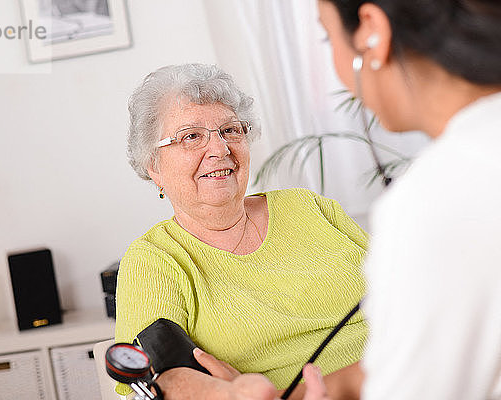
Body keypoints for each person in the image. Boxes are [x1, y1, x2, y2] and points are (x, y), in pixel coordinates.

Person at [204, 0, 501, 399]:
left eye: (328, 37)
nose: (218, 151)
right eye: (190, 137)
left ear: (371, 30)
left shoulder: (431, 201)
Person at [114, 63, 370, 399]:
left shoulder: (312, 208)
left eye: (231, 131)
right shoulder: (155, 259)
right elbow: (159, 378)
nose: (220, 150)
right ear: (154, 166)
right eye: (192, 136)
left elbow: (409, 296)